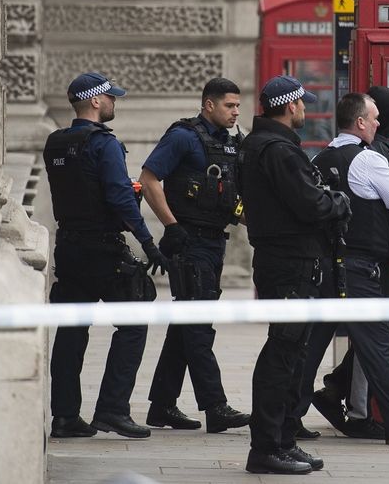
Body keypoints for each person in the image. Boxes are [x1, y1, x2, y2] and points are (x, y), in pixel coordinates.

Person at [297, 92, 389, 446]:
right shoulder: (368, 159)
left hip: (327, 263)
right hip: (360, 267)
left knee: (311, 346)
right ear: (359, 122)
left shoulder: (321, 157)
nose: (378, 124)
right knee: (377, 344)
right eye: (373, 118)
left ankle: (287, 415)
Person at [44, 72, 168, 439]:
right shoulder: (104, 144)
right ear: (96, 101)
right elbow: (118, 200)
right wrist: (148, 243)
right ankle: (112, 409)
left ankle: (65, 416)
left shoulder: (55, 143)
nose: (115, 102)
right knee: (134, 318)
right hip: (102, 247)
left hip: (68, 247)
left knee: (70, 332)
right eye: (111, 97)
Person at [240, 75, 350, 475]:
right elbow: (310, 205)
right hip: (291, 263)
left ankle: (283, 441)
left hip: (281, 260)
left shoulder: (259, 145)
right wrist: (338, 202)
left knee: (289, 353)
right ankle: (267, 447)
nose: (305, 109)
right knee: (282, 355)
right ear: (290, 106)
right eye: (302, 103)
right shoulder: (280, 151)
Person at [138, 77, 250, 434]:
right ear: (208, 105)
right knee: (198, 326)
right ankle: (215, 406)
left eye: (237, 106)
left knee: (186, 325)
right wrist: (171, 226)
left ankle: (162, 406)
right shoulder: (184, 136)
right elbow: (149, 177)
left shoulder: (229, 142)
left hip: (214, 241)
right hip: (190, 244)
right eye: (229, 106)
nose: (235, 112)